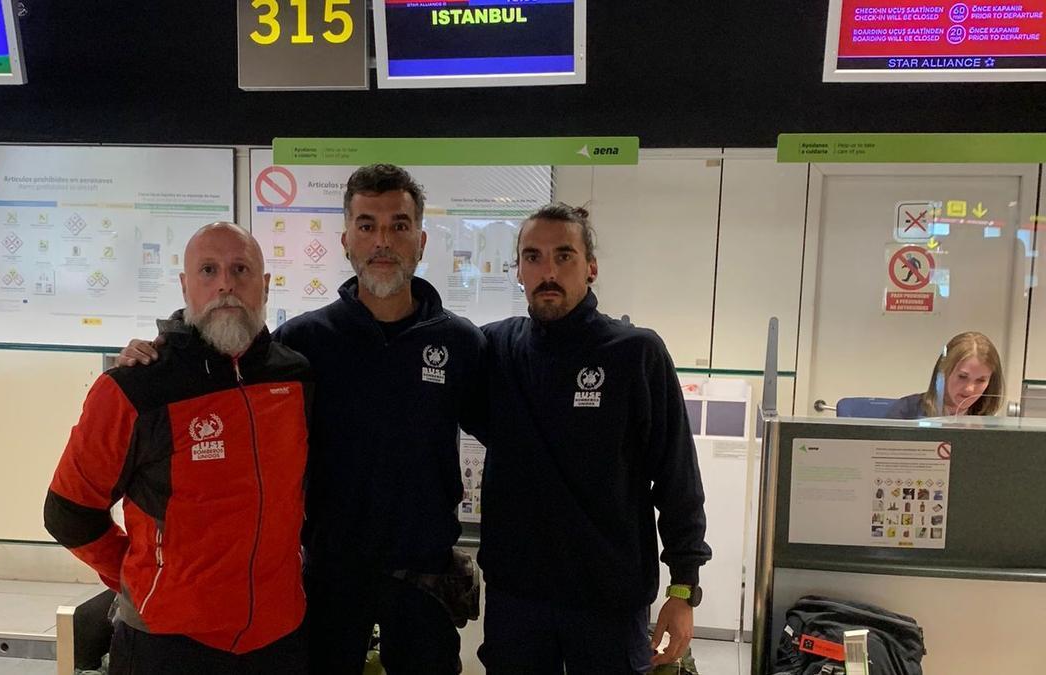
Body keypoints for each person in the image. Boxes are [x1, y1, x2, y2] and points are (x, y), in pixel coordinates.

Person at [117, 165, 486, 675]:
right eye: (367, 225)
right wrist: (158, 349)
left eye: (399, 225)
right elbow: (225, 362)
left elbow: (510, 427)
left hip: (424, 582)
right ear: (345, 240)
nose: (383, 240)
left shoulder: (462, 343)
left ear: (421, 241)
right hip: (328, 578)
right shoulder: (305, 343)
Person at [44, 223, 313, 674]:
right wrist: (138, 577)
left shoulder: (296, 377)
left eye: (240, 269)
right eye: (208, 270)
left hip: (279, 636)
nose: (225, 283)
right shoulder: (135, 387)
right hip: (169, 642)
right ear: (185, 285)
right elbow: (68, 512)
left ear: (265, 285)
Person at [476, 203, 712, 674]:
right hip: (516, 600)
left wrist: (683, 588)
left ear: (591, 267)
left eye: (564, 256)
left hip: (608, 602)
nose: (548, 271)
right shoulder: (493, 350)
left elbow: (677, 476)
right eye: (533, 257)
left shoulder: (635, 353)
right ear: (518, 271)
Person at [886, 331, 1005, 419]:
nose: (969, 389)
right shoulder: (905, 411)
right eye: (962, 377)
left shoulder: (990, 424)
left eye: (980, 380)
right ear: (944, 372)